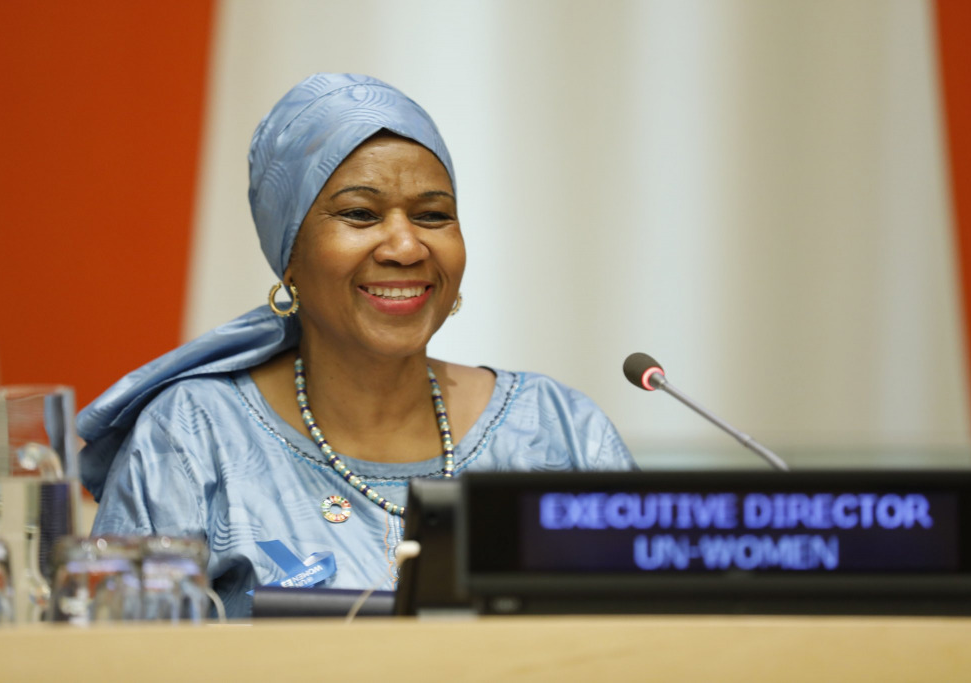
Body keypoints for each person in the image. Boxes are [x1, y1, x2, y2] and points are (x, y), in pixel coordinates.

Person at [78, 73, 634, 616]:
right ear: (290, 252)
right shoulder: (192, 436)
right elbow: (117, 660)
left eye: (433, 216)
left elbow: (654, 638)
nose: (405, 246)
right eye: (360, 214)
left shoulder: (558, 432)